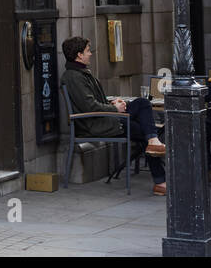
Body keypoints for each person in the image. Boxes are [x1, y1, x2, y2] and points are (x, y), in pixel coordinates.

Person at [61, 36, 166, 195]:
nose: (90, 54)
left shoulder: (81, 72)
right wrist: (115, 109)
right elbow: (89, 106)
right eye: (88, 51)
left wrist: (113, 104)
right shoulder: (73, 76)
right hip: (96, 124)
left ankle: (154, 145)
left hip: (105, 118)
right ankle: (160, 177)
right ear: (79, 55)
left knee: (143, 103)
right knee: (145, 130)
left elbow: (93, 102)